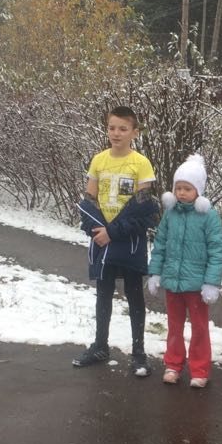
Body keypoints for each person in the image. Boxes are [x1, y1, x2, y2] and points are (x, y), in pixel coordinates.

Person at [74, 106, 159, 377]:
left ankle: (138, 353)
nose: (116, 133)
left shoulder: (141, 163)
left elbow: (144, 210)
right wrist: (97, 230)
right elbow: (88, 202)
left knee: (134, 295)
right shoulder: (99, 160)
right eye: (112, 127)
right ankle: (100, 346)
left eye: (123, 128)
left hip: (129, 240)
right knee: (103, 294)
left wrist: (114, 231)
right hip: (102, 239)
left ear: (134, 132)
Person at [146, 154, 222, 388]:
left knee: (200, 328)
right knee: (174, 326)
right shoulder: (170, 214)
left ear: (198, 191)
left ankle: (199, 369)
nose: (182, 193)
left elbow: (217, 250)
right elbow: (160, 244)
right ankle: (173, 364)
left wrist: (211, 283)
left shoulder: (208, 216)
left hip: (197, 285)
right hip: (173, 282)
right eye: (178, 188)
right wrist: (155, 273)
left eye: (187, 188)